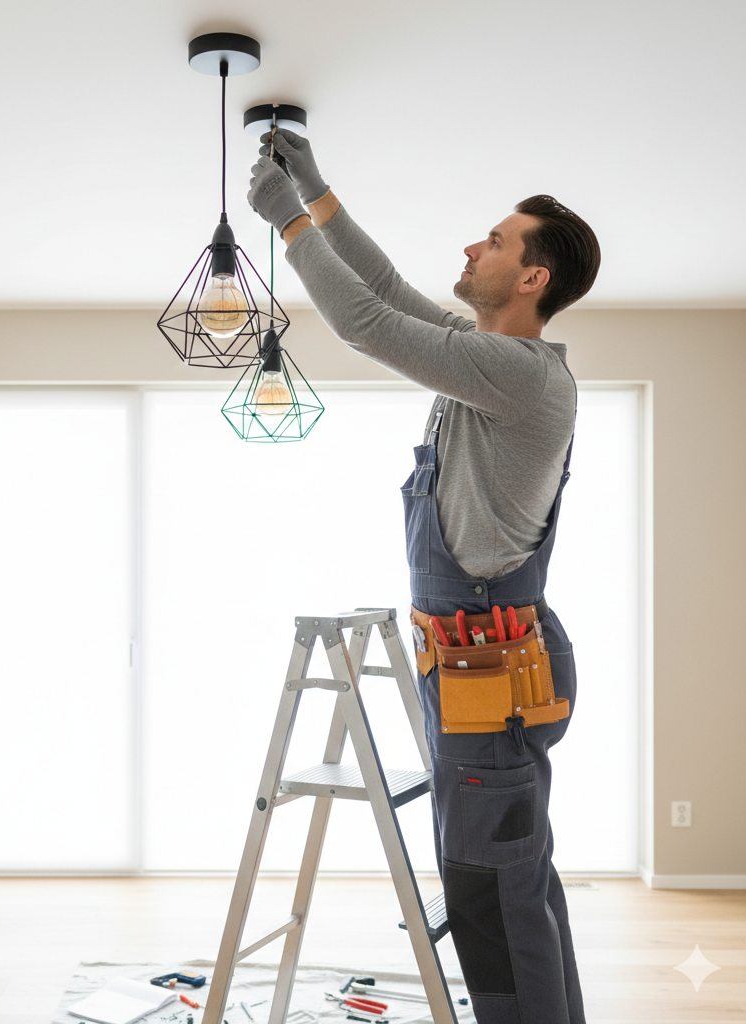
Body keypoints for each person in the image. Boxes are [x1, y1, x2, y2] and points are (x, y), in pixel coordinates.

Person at [248, 131, 600, 1024]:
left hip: (493, 680)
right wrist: (318, 193)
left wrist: (287, 221)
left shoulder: (519, 377)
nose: (472, 248)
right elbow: (388, 292)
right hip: (479, 674)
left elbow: (366, 324)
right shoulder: (484, 361)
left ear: (532, 279)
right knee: (510, 884)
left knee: (493, 899)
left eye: (495, 240)